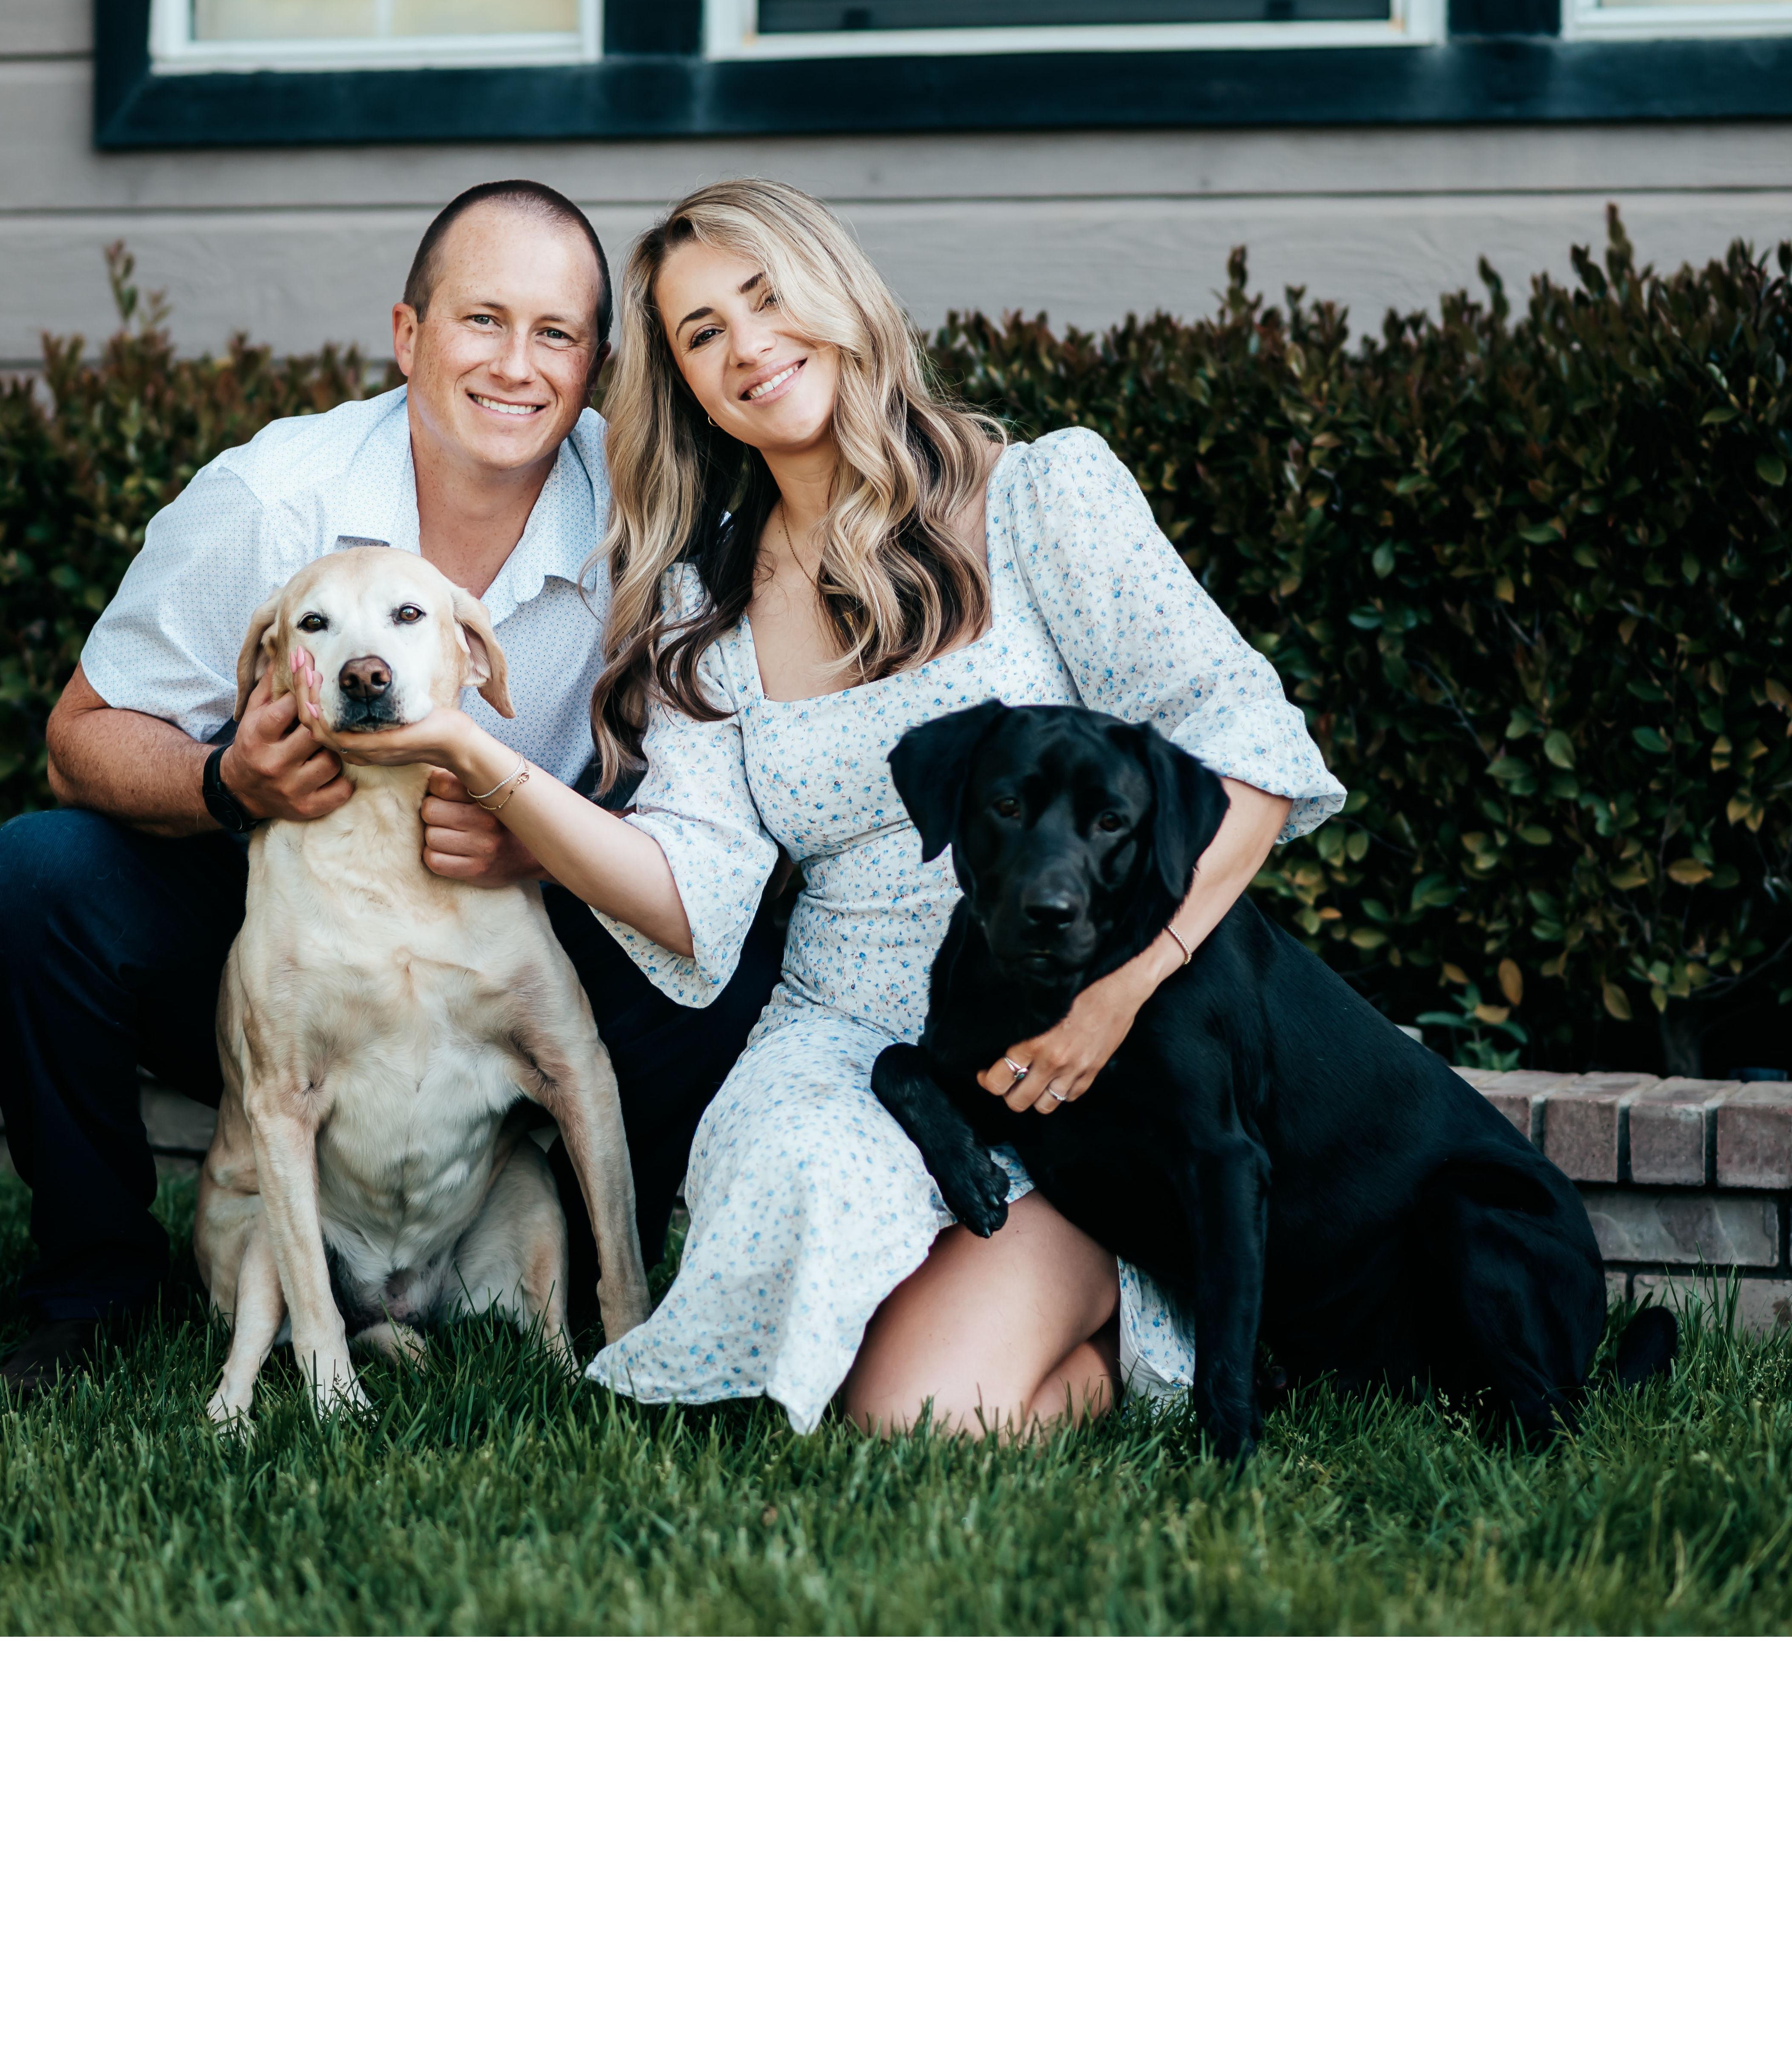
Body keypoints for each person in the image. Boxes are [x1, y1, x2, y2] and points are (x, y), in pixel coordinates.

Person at [315, 178, 1347, 1438]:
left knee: (920, 1412)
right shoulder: (704, 606)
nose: (749, 346)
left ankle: (1119, 1305)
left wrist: (1120, 996)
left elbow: (1247, 750)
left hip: (1070, 1042)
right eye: (703, 333)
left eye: (769, 297)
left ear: (842, 296)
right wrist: (482, 763)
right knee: (803, 1266)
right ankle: (969, 1295)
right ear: (687, 387)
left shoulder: (1041, 497)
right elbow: (691, 897)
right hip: (846, 1039)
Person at [0, 180, 784, 1393]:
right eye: (481, 320)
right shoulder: (271, 498)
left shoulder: (646, 514)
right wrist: (226, 780)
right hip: (293, 939)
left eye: (554, 334)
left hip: (511, 926)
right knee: (29, 883)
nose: (516, 365)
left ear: (595, 365)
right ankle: (91, 1287)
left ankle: (610, 1288)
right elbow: (79, 738)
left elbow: (706, 789)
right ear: (407, 333)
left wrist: (542, 841)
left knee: (723, 939)